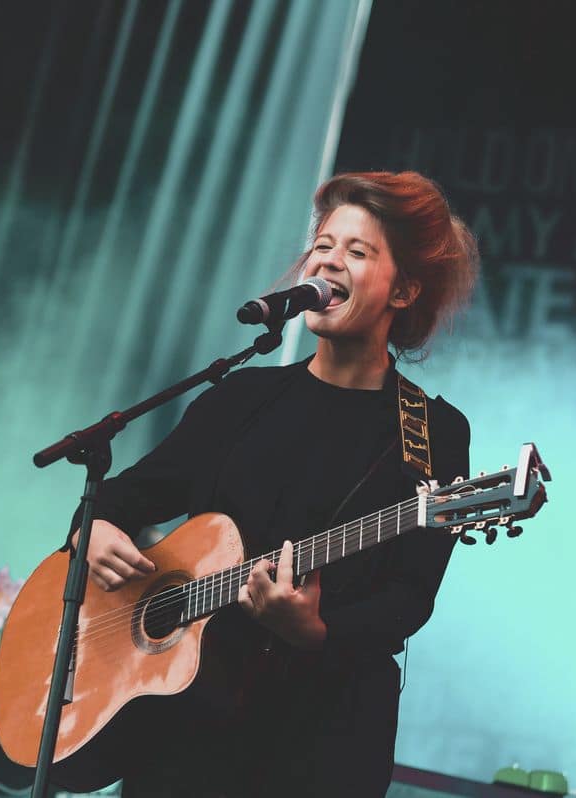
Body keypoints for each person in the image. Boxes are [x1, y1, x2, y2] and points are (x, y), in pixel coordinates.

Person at [67, 171, 479, 797]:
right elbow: (131, 494)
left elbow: (409, 595)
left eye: (357, 252)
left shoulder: (429, 431)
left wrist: (316, 632)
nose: (329, 260)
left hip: (320, 740)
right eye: (323, 245)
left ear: (405, 290)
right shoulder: (242, 398)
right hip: (186, 731)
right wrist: (93, 528)